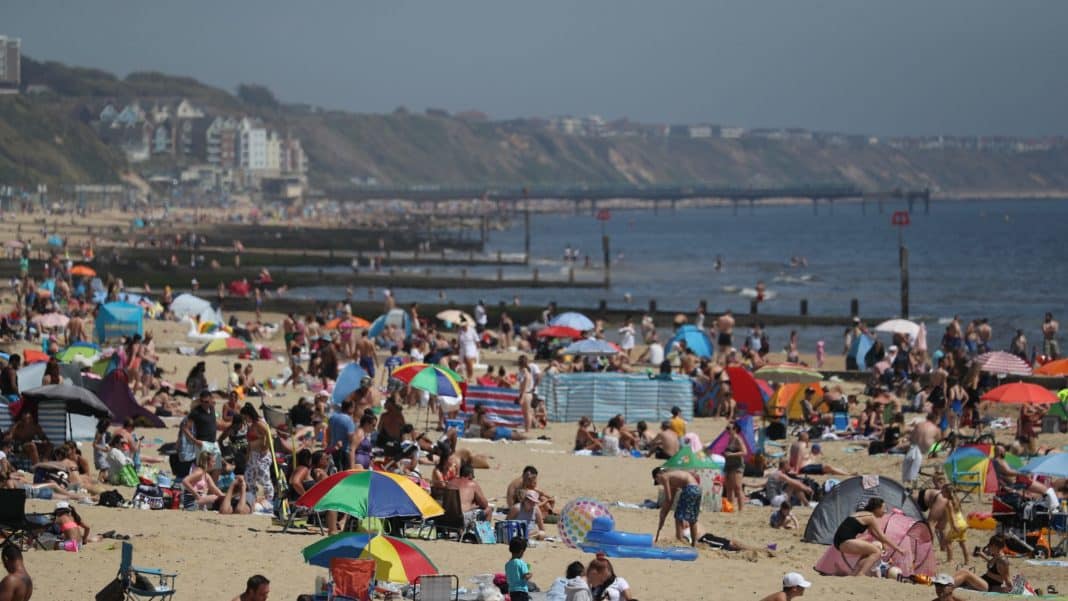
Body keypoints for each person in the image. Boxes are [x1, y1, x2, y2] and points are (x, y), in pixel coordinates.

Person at [831, 497, 905, 576]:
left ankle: (855, 573)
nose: (885, 511)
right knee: (877, 552)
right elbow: (882, 536)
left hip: (840, 541)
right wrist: (899, 549)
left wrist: (883, 543)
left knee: (870, 551)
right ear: (876, 509)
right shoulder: (870, 517)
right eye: (883, 508)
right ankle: (861, 574)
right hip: (844, 541)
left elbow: (874, 534)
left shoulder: (865, 514)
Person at [653, 467, 704, 547]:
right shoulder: (673, 477)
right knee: (692, 518)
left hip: (689, 489)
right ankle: (694, 543)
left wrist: (662, 513)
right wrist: (663, 516)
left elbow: (668, 499)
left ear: (658, 476)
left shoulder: (664, 476)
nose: (661, 483)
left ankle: (679, 539)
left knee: (678, 516)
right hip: (697, 489)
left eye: (658, 481)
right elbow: (671, 500)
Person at [903, 413, 941, 488]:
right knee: (938, 445)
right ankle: (933, 454)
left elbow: (911, 437)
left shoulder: (919, 425)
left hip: (915, 449)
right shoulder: (936, 429)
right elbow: (938, 440)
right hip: (926, 451)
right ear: (935, 420)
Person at [722, 421, 747, 511]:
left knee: (737, 487)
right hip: (728, 465)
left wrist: (731, 454)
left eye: (729, 428)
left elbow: (744, 452)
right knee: (729, 488)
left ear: (735, 429)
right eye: (727, 428)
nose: (727, 430)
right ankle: (730, 508)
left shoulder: (738, 439)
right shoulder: (729, 439)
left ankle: (741, 509)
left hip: (737, 465)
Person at [327, 400, 356, 470]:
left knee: (334, 472)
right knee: (344, 474)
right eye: (354, 407)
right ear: (350, 408)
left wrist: (329, 445)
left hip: (333, 449)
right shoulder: (348, 420)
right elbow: (351, 438)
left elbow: (328, 432)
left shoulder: (332, 417)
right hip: (344, 451)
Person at [505, 536, 532, 601]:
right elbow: (526, 576)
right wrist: (530, 574)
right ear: (521, 551)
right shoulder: (521, 563)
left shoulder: (507, 564)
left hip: (511, 591)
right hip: (522, 591)